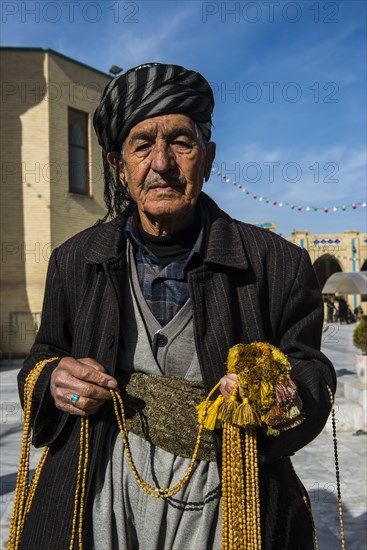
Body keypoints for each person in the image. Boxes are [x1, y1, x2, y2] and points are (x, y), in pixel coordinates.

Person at [16, 63, 336, 550]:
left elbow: (313, 370)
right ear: (118, 167)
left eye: (181, 143)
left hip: (229, 510)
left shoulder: (278, 264)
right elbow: (42, 358)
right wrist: (53, 380)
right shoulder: (75, 261)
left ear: (207, 158)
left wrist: (278, 391)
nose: (161, 163)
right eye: (142, 145)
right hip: (102, 499)